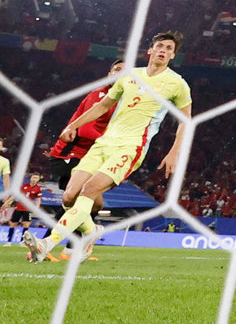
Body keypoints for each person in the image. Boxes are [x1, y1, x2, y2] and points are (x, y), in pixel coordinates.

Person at [24, 32, 192, 263]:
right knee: (70, 195)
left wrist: (174, 153)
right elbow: (103, 105)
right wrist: (73, 125)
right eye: (160, 46)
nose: (163, 50)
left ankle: (48, 243)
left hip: (131, 146)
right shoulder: (131, 76)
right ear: (150, 50)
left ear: (173, 55)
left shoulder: (177, 84)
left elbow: (186, 121)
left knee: (90, 190)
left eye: (169, 48)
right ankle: (91, 230)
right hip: (104, 143)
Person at [45, 59, 125, 260]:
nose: (119, 74)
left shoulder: (125, 101)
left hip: (91, 157)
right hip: (70, 153)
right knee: (74, 199)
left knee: (95, 204)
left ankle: (72, 249)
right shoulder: (99, 94)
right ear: (109, 74)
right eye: (116, 70)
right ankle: (44, 246)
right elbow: (88, 129)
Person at [4, 172, 42, 246]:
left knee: (26, 225)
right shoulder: (23, 186)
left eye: (36, 178)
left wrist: (36, 208)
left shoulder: (38, 189)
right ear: (30, 178)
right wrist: (7, 202)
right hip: (19, 208)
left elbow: (38, 200)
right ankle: (8, 241)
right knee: (13, 224)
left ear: (38, 180)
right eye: (33, 177)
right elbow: (14, 196)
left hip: (28, 209)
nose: (34, 179)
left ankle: (22, 242)